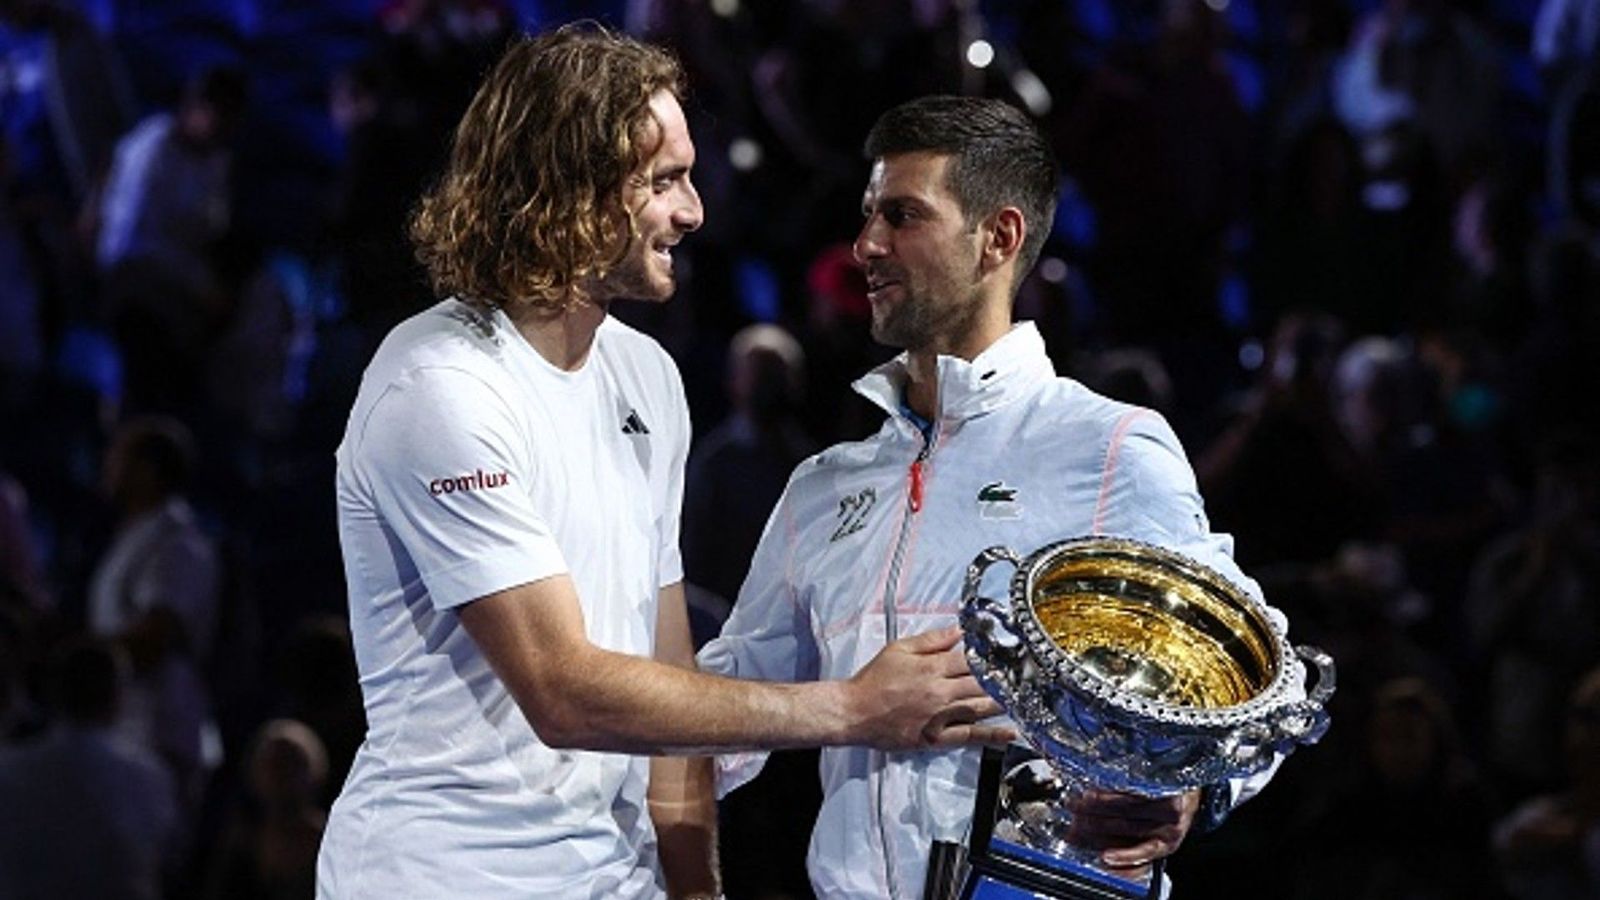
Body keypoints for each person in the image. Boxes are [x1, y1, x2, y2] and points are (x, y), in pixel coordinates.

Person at [316, 26, 1008, 900]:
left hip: (616, 879)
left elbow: (668, 687)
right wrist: (853, 708)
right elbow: (564, 691)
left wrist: (694, 889)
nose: (694, 211)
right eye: (664, 181)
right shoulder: (439, 385)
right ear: (570, 187)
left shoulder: (647, 376)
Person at [697, 95, 1304, 899]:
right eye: (868, 214)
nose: (867, 244)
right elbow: (722, 711)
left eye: (903, 215)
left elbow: (1258, 671)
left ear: (1000, 237)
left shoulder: (1106, 446)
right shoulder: (823, 487)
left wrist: (1195, 788)